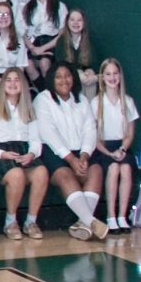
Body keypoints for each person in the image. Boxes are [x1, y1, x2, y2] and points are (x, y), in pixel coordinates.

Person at [37, 62, 104, 240]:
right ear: (52, 79)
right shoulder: (43, 100)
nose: (64, 80)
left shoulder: (81, 99)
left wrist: (83, 155)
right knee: (65, 174)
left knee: (95, 170)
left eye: (67, 75)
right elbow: (49, 133)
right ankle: (92, 221)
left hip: (81, 151)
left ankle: (83, 223)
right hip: (56, 153)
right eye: (58, 76)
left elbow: (90, 129)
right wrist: (71, 159)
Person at [0, 68, 47, 240]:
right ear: (3, 84)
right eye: (8, 80)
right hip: (1, 153)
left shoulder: (28, 109)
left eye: (17, 80)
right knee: (17, 175)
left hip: (23, 151)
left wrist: (32, 154)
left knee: (41, 172)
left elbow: (36, 140)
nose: (13, 84)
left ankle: (31, 221)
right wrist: (1, 154)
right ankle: (10, 222)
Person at [92, 59, 139, 235]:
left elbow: (129, 134)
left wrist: (122, 150)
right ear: (102, 77)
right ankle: (110, 216)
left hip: (121, 147)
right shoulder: (96, 102)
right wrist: (109, 153)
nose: (112, 77)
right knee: (113, 168)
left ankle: (122, 216)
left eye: (115, 73)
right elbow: (94, 137)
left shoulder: (127, 101)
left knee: (125, 168)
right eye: (108, 74)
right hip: (103, 148)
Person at [22, 0, 68, 85]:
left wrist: (42, 49)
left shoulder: (60, 6)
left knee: (44, 63)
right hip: (32, 43)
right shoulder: (28, 7)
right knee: (27, 64)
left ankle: (50, 92)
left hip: (51, 43)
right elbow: (23, 32)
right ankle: (42, 91)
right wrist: (32, 47)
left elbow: (62, 34)